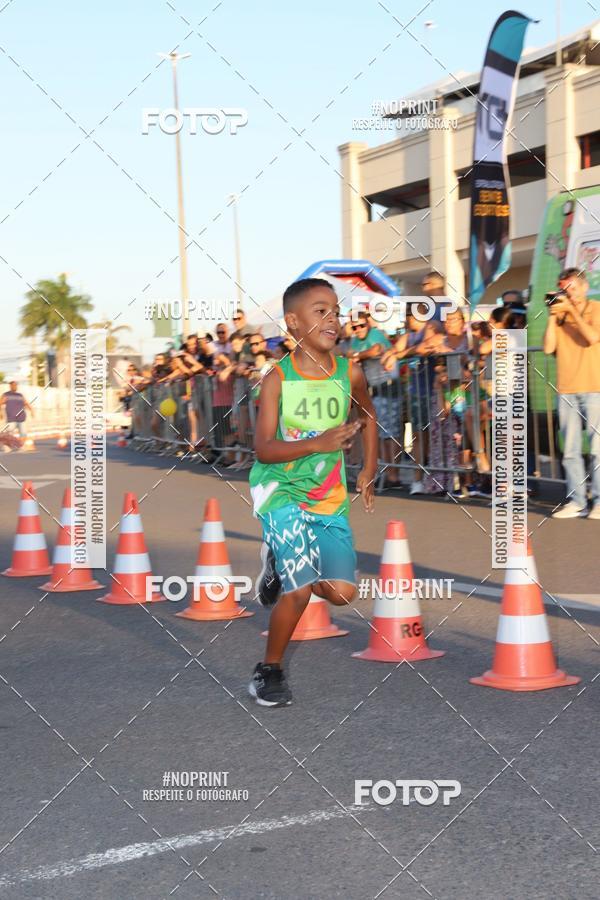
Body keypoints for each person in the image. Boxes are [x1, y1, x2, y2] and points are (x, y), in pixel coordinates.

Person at [248, 278, 377, 707]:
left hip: (328, 495)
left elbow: (368, 415)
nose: (333, 319)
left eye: (335, 311)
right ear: (292, 322)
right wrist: (317, 443)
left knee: (341, 592)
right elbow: (264, 448)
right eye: (320, 311)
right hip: (280, 489)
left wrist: (369, 468)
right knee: (301, 587)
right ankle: (269, 671)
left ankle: (278, 565)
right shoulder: (277, 379)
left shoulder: (349, 371)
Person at [543, 267, 600, 519]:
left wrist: (572, 311)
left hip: (594, 387)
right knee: (571, 451)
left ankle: (599, 502)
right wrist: (552, 316)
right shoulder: (560, 315)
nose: (568, 293)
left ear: (584, 287)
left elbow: (591, 337)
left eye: (573, 288)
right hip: (566, 389)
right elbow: (547, 348)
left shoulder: (595, 308)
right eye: (564, 289)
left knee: (598, 449)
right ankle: (577, 501)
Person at [349, 311, 399, 487]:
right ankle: (387, 471)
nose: (359, 329)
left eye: (362, 325)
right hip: (374, 389)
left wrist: (357, 356)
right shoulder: (355, 340)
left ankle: (394, 474)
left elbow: (376, 349)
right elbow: (349, 353)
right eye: (355, 327)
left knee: (389, 432)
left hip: (390, 386)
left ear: (368, 324)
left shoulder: (375, 334)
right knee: (379, 432)